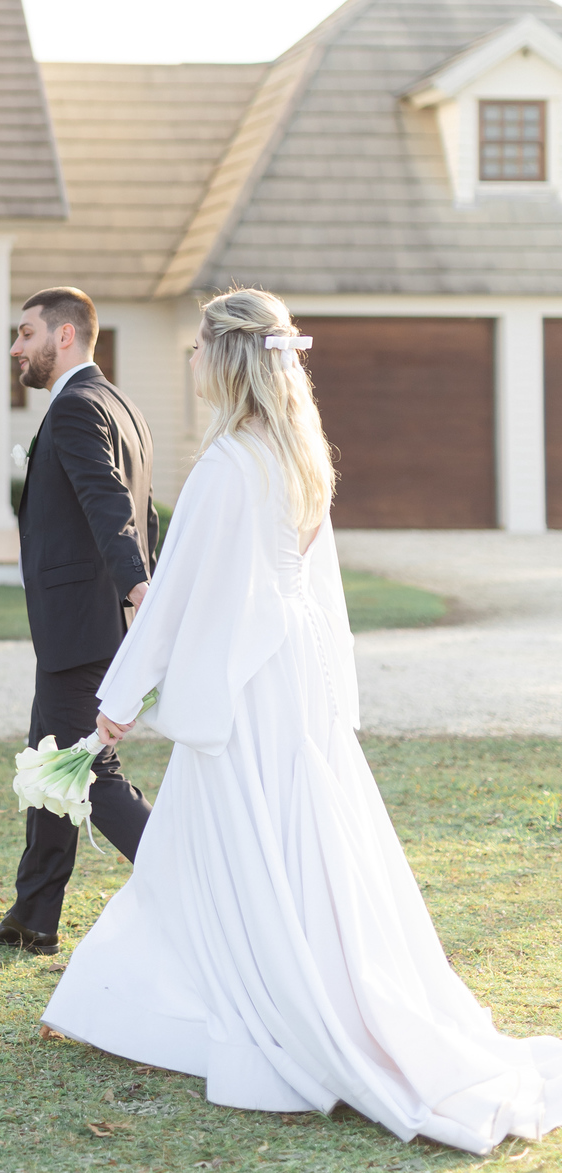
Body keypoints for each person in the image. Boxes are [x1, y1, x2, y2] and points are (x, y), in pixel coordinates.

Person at [41, 287, 562, 1155]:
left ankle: (173, 1003)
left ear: (226, 358)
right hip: (292, 674)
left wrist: (118, 698)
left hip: (247, 686)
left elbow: (176, 598)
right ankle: (121, 997)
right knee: (278, 840)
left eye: (200, 346)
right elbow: (309, 588)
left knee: (236, 843)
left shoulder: (226, 465)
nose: (192, 360)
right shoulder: (298, 454)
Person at [0, 286, 160, 957]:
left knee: (84, 768)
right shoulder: (120, 404)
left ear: (64, 335)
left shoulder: (79, 406)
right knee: (50, 761)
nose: (15, 348)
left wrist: (139, 586)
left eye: (25, 333)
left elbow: (111, 503)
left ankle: (193, 879)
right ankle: (34, 914)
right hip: (91, 620)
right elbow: (147, 513)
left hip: (83, 623)